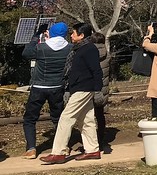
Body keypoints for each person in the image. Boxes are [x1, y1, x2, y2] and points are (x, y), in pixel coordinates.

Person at [39, 22, 103, 164]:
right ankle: (93, 150)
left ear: (82, 35)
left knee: (66, 118)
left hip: (85, 87)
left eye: (74, 33)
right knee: (86, 120)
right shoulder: (78, 48)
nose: (71, 35)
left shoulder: (89, 49)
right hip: (78, 86)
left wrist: (98, 89)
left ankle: (58, 152)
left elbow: (96, 70)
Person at [21, 21, 72, 159]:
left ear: (52, 33)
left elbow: (26, 53)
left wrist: (37, 35)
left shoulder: (41, 47)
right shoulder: (70, 47)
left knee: (30, 119)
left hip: (39, 87)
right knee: (58, 118)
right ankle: (62, 146)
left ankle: (31, 149)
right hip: (57, 87)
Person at [91, 31, 111, 151]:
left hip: (91, 87)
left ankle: (91, 140)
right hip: (103, 87)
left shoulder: (89, 53)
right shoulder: (107, 55)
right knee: (100, 115)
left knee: (88, 116)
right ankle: (101, 138)